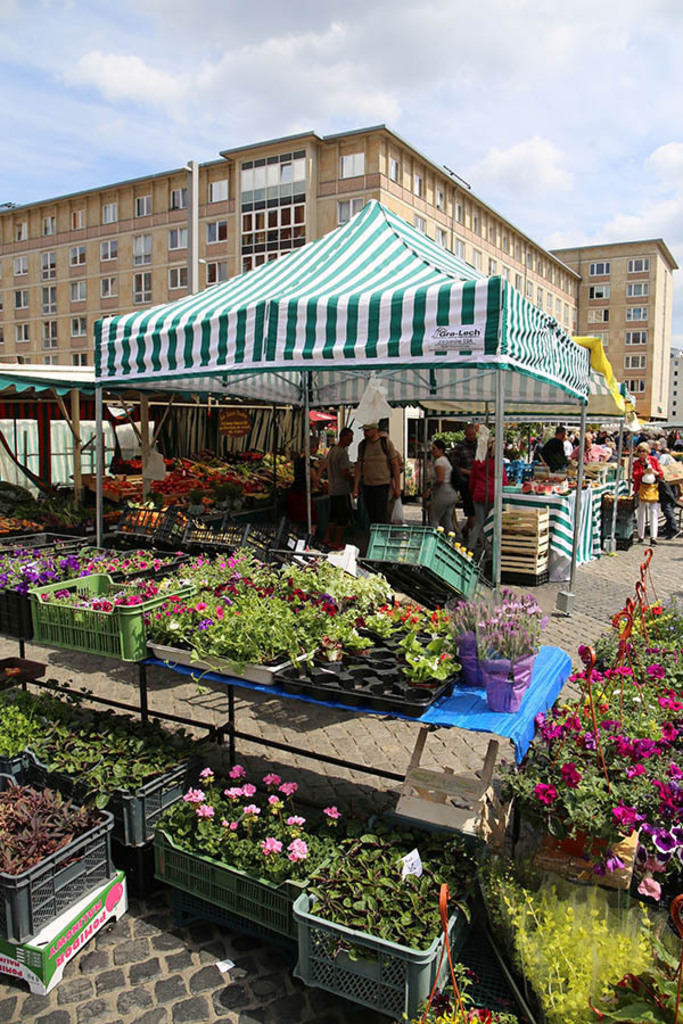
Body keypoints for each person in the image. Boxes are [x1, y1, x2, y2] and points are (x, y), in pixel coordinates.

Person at [352, 422, 401, 526]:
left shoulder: (386, 443)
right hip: (367, 485)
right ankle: (373, 535)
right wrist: (355, 487)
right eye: (364, 430)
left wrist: (397, 487)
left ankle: (380, 536)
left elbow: (395, 466)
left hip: (383, 484)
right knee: (371, 515)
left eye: (368, 430)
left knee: (381, 515)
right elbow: (359, 467)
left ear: (375, 430)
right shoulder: (363, 445)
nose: (365, 433)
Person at [467, 438, 509, 551]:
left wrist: (473, 493)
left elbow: (472, 480)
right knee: (492, 522)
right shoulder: (498, 464)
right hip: (493, 495)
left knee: (479, 522)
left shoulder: (477, 462)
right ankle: (490, 547)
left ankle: (471, 546)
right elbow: (504, 482)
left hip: (478, 494)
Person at [323, 427, 354, 549]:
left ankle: (327, 537)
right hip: (341, 489)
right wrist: (353, 481)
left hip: (332, 489)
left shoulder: (332, 450)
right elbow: (345, 473)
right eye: (350, 438)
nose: (351, 441)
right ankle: (337, 541)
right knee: (342, 518)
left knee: (333, 516)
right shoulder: (342, 452)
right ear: (344, 437)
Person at [632, 441, 663, 545]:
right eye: (640, 451)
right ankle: (641, 535)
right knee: (641, 512)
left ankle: (653, 536)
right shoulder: (636, 463)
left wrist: (654, 472)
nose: (642, 453)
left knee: (653, 512)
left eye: (644, 451)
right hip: (641, 488)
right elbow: (634, 475)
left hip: (653, 488)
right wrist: (643, 472)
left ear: (648, 452)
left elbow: (661, 473)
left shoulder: (653, 460)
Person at [451, 423, 479, 536]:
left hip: (478, 481)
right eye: (470, 434)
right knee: (470, 508)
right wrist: (467, 472)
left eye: (474, 434)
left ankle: (467, 529)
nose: (472, 436)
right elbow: (454, 466)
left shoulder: (479, 446)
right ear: (465, 434)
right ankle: (473, 535)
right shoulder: (459, 448)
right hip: (465, 481)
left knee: (476, 508)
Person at [427, 439, 459, 530]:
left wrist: (431, 489)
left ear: (440, 450)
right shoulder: (446, 460)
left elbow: (440, 479)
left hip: (443, 492)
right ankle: (450, 539)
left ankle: (434, 540)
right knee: (447, 519)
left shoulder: (439, 462)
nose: (432, 451)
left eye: (434, 449)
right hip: (451, 491)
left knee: (434, 518)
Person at [655, 443, 680, 539]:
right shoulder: (673, 459)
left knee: (666, 506)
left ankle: (673, 528)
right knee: (670, 506)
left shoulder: (663, 457)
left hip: (666, 484)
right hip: (674, 484)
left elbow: (660, 466)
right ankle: (669, 527)